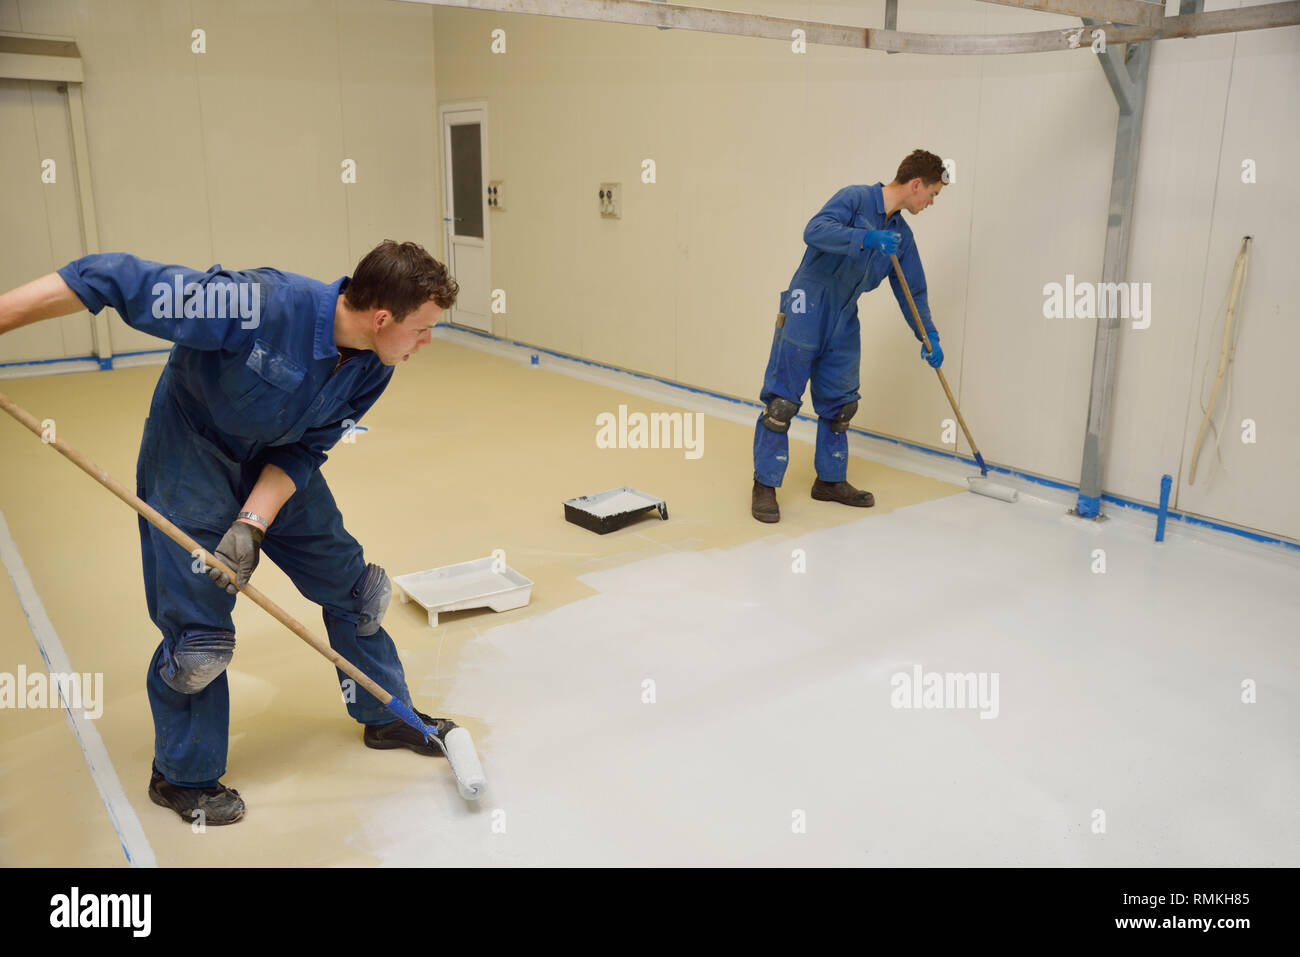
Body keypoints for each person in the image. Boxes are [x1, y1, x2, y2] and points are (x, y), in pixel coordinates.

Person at [0, 240, 459, 825]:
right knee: (200, 647)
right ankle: (181, 776)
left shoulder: (374, 365)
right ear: (382, 316)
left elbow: (306, 449)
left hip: (273, 467)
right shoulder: (260, 305)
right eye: (422, 329)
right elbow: (110, 277)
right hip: (189, 459)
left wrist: (253, 521)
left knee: (358, 594)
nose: (426, 343)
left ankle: (385, 711)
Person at [752, 149, 947, 523]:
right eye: (933, 194)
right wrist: (866, 238)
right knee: (782, 404)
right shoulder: (855, 199)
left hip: (844, 316)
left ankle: (829, 481)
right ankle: (765, 484)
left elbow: (913, 292)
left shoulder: (901, 236)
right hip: (806, 304)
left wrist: (929, 336)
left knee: (842, 406)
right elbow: (814, 230)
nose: (931, 202)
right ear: (916, 184)